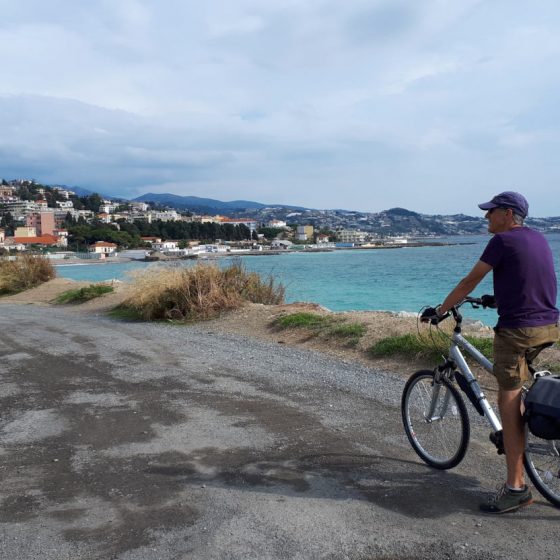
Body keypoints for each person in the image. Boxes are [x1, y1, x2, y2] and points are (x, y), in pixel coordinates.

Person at [422, 191, 559, 514]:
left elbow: (470, 280)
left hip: (518, 331)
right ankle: (523, 430)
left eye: (491, 212)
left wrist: (441, 310)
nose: (486, 217)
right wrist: (498, 299)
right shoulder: (537, 238)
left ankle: (516, 488)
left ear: (508, 214)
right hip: (550, 325)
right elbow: (530, 278)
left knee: (507, 402)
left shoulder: (502, 242)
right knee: (520, 384)